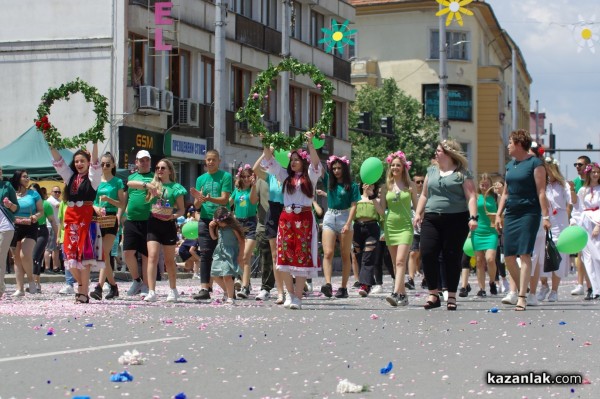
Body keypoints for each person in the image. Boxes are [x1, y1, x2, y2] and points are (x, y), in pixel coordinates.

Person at [260, 132, 323, 310]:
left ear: (303, 161)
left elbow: (316, 163)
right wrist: (265, 142)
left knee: (301, 257)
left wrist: (310, 143)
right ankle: (289, 293)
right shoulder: (284, 176)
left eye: (297, 159)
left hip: (303, 218)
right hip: (286, 219)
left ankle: (298, 296)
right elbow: (269, 160)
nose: (294, 162)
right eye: (292, 159)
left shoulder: (310, 176)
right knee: (285, 258)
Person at [413, 140, 478, 311]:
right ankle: (433, 294)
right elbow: (425, 195)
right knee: (427, 253)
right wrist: (418, 213)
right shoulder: (431, 171)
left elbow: (471, 196)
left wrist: (473, 217)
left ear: (449, 154)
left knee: (451, 257)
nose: (436, 153)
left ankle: (452, 296)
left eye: (439, 151)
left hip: (456, 219)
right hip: (432, 218)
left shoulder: (462, 173)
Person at [494, 130, 550, 311]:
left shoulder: (535, 163)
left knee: (524, 254)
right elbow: (506, 193)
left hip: (529, 213)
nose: (508, 146)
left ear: (518, 144)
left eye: (510, 142)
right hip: (511, 213)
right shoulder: (510, 166)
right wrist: (498, 214)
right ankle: (523, 288)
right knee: (509, 257)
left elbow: (541, 192)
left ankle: (522, 297)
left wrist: (546, 216)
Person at [49, 143, 101, 303]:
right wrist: (50, 143)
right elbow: (59, 162)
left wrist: (95, 143)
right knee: (70, 259)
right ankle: (82, 285)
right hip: (70, 222)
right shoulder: (70, 176)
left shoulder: (93, 178)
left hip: (86, 222)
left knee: (84, 260)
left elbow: (95, 164)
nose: (79, 164)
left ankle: (82, 293)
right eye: (76, 161)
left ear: (88, 162)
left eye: (82, 161)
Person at [142, 158, 187, 302]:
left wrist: (173, 216)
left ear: (169, 170)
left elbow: (181, 209)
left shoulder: (176, 187)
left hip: (168, 223)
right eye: (157, 168)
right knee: (153, 256)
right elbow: (130, 184)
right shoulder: (153, 184)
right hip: (153, 222)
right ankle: (151, 291)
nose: (159, 170)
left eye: (162, 168)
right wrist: (148, 186)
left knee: (169, 260)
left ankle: (173, 289)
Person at [190, 149, 233, 300]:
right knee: (205, 254)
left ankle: (229, 288)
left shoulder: (226, 176)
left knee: (223, 254)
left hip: (222, 221)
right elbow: (196, 205)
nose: (210, 162)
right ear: (205, 161)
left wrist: (209, 199)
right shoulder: (201, 179)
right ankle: (204, 288)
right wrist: (200, 199)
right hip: (205, 219)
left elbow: (224, 199)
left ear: (219, 161)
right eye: (208, 159)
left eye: (213, 159)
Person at [377, 151, 418, 307]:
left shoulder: (410, 186)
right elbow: (381, 211)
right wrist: (372, 198)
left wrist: (419, 217)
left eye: (398, 165)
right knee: (396, 264)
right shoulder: (385, 187)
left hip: (406, 226)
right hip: (390, 226)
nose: (395, 167)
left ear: (404, 167)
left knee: (401, 261)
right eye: (393, 165)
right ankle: (403, 295)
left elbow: (417, 205)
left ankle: (395, 293)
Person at [536, 157, 576, 302]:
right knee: (541, 254)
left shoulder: (562, 185)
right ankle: (544, 285)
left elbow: (571, 202)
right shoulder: (542, 185)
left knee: (558, 254)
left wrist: (572, 190)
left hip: (560, 221)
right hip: (544, 219)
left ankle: (554, 290)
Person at [320, 155, 360, 299]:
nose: (336, 171)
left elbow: (354, 206)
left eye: (339, 168)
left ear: (344, 169)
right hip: (330, 217)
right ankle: (328, 284)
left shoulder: (352, 186)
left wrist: (348, 224)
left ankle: (343, 288)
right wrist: (311, 145)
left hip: (345, 217)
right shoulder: (329, 182)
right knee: (328, 253)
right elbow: (316, 164)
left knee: (345, 255)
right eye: (334, 168)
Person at [89, 152, 126, 300]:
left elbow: (122, 203)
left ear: (113, 165)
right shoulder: (95, 181)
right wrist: (95, 207)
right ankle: (113, 286)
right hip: (97, 217)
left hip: (111, 218)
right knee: (102, 255)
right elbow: (90, 200)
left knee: (103, 253)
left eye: (107, 164)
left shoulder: (117, 182)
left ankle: (99, 286)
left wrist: (109, 199)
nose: (104, 166)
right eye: (102, 164)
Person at [253, 153, 286, 304]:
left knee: (288, 252)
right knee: (275, 255)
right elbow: (255, 169)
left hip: (288, 211)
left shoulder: (290, 174)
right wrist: (266, 153)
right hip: (273, 211)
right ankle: (280, 292)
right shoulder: (271, 175)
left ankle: (293, 287)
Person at [123, 150, 154, 296]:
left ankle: (147, 286)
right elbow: (129, 185)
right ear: (136, 162)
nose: (144, 162)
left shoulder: (155, 177)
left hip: (149, 219)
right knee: (128, 252)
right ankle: (137, 280)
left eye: (147, 160)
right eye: (141, 160)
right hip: (131, 220)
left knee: (146, 255)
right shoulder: (132, 177)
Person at [462, 173, 498, 297]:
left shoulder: (496, 197)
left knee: (490, 259)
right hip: (477, 231)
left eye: (486, 183)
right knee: (479, 261)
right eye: (482, 183)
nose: (484, 185)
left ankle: (492, 282)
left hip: (491, 231)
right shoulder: (475, 197)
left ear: (490, 184)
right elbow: (471, 213)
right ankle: (482, 288)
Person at [9, 170, 44, 296]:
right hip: (15, 226)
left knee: (25, 254)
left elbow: (41, 211)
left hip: (31, 226)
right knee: (16, 258)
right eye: (24, 177)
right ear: (17, 178)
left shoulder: (33, 194)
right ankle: (20, 289)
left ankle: (31, 281)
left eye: (28, 176)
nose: (27, 178)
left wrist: (35, 216)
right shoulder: (11, 194)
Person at [570, 162, 600, 300]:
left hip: (597, 221)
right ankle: (595, 289)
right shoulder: (583, 190)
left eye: (597, 172)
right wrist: (575, 222)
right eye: (593, 172)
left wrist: (598, 225)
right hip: (586, 222)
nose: (595, 175)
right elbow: (579, 208)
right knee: (587, 258)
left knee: (598, 257)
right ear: (589, 174)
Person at [230, 164, 258, 299]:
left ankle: (245, 288)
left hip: (251, 223)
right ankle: (246, 281)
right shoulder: (237, 189)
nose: (246, 179)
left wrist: (253, 185)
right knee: (239, 257)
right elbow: (228, 203)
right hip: (238, 223)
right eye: (244, 176)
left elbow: (253, 201)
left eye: (249, 176)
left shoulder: (254, 189)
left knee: (246, 256)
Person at [209, 206, 245, 304]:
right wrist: (211, 228)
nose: (219, 223)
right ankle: (227, 290)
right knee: (214, 274)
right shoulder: (219, 227)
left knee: (227, 275)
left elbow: (241, 241)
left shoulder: (232, 228)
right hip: (219, 252)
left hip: (229, 253)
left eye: (220, 222)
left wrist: (241, 255)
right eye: (217, 222)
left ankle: (230, 297)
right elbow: (213, 237)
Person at [354, 183, 384, 297]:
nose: (368, 186)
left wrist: (373, 197)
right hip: (357, 228)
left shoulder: (376, 200)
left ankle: (365, 285)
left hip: (372, 229)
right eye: (366, 184)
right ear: (361, 186)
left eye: (372, 185)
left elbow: (381, 214)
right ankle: (367, 282)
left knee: (368, 257)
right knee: (359, 257)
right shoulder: (356, 198)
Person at [570, 155, 592, 297]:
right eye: (576, 164)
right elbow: (572, 205)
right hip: (580, 222)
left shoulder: (594, 182)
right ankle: (581, 284)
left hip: (594, 221)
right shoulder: (575, 183)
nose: (578, 167)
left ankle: (592, 284)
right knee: (581, 253)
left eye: (580, 164)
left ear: (587, 167)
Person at [30, 184, 58, 292]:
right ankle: (35, 282)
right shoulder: (28, 204)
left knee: (35, 256)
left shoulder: (45, 204)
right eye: (30, 192)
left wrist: (57, 236)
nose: (32, 194)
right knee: (31, 258)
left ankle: (35, 283)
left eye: (35, 192)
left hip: (41, 231)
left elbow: (52, 221)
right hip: (29, 230)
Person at [0, 165, 19, 298]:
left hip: (5, 225)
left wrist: (9, 205)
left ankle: (0, 288)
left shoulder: (6, 185)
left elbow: (16, 208)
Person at [407, 174, 425, 290]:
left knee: (427, 254)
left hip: (427, 228)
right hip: (413, 228)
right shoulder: (409, 196)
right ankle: (411, 278)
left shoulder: (427, 195)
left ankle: (426, 278)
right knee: (413, 253)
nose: (420, 184)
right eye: (417, 182)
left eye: (422, 181)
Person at [44, 186, 62, 273]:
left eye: (59, 192)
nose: (57, 193)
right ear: (51, 192)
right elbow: (59, 206)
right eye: (55, 192)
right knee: (49, 248)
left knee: (56, 248)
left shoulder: (59, 200)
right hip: (50, 226)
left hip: (57, 226)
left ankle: (56, 267)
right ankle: (47, 267)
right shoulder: (51, 200)